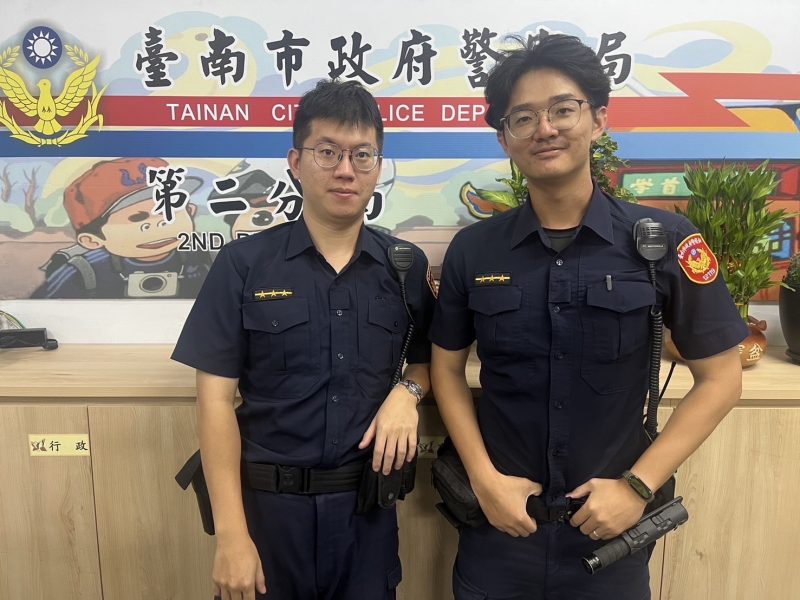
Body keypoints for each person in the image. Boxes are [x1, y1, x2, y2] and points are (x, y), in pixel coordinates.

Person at [429, 33, 747, 599]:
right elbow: (447, 369)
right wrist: (484, 480)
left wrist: (637, 487)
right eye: (523, 117)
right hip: (499, 531)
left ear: (598, 119)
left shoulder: (663, 241)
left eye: (562, 109)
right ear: (504, 138)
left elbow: (722, 378)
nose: (544, 129)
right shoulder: (474, 251)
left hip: (610, 540)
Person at [172, 79, 435, 600]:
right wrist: (231, 536)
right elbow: (215, 401)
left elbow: (428, 362)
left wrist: (407, 395)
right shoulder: (244, 265)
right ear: (295, 162)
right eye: (327, 152)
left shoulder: (404, 267)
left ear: (378, 166)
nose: (345, 170)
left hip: (366, 516)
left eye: (362, 155)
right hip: (268, 518)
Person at [31, 157, 210, 299]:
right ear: (91, 240)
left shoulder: (208, 260)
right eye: (137, 218)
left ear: (190, 211)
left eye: (168, 209)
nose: (160, 223)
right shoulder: (83, 272)